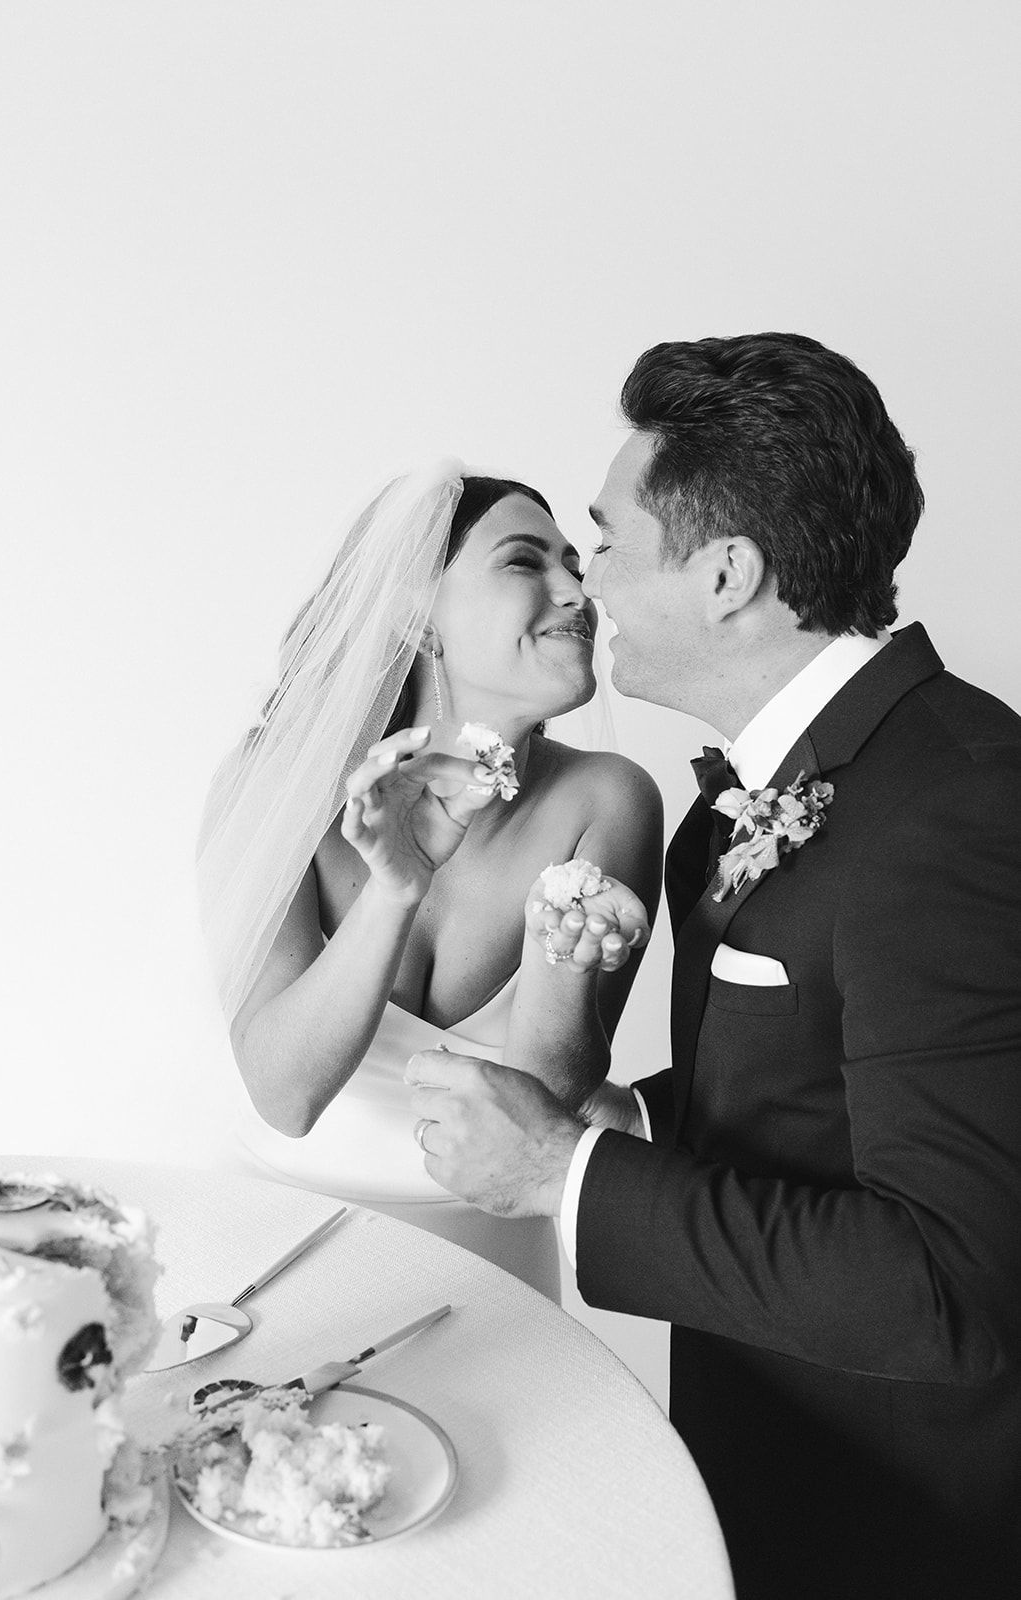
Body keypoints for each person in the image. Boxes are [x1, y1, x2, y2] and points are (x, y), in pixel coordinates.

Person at [405, 337, 1021, 1597]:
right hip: (762, 1464)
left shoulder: (953, 808)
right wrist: (622, 1115)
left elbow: (948, 1280)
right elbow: (822, 1098)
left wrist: (559, 1175)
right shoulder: (732, 807)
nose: (590, 586)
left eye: (609, 543)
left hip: (901, 1523)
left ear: (728, 573)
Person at [197, 463, 662, 1299]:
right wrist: (395, 888)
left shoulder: (609, 799)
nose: (574, 591)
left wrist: (565, 956)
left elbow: (542, 1109)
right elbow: (286, 1094)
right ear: (419, 618)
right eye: (525, 561)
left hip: (496, 1278)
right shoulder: (277, 787)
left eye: (573, 565)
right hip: (280, 1265)